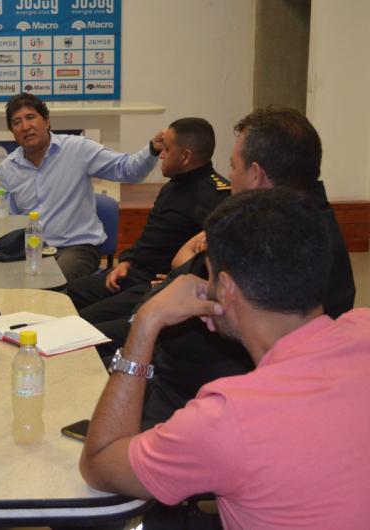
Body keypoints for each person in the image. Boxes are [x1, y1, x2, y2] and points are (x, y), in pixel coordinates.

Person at [79, 188, 370, 529]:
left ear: (226, 289)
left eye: (210, 274)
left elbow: (99, 465)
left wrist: (146, 322)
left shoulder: (227, 417)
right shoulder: (363, 323)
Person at [140, 107, 356, 430]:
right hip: (188, 372)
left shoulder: (274, 237)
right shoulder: (303, 221)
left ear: (255, 174)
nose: (230, 178)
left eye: (233, 166)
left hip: (196, 394)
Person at [67, 117, 230, 325]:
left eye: (167, 150)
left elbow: (216, 260)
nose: (160, 155)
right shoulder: (173, 186)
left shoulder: (216, 197)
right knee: (60, 296)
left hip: (153, 286)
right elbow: (151, 238)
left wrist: (178, 279)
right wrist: (126, 261)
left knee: (80, 323)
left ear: (186, 156)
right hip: (130, 273)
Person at [0, 93, 162, 281]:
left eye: (31, 117)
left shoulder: (77, 149)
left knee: (49, 283)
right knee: (5, 283)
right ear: (13, 132)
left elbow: (128, 170)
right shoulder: (7, 169)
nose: (25, 127)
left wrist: (152, 149)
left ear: (47, 121)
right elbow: (9, 221)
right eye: (17, 122)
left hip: (77, 248)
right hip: (32, 250)